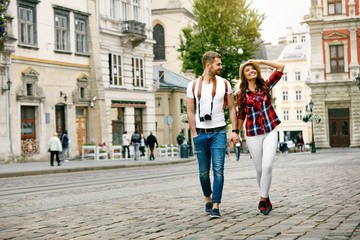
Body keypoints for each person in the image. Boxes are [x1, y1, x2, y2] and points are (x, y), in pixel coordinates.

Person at [186, 51, 239, 219]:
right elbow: (189, 110)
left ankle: (216, 205)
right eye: (218, 64)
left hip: (219, 132)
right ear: (208, 65)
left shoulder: (225, 84)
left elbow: (231, 108)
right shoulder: (193, 85)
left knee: (218, 171)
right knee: (203, 172)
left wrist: (235, 130)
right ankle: (208, 199)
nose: (221, 67)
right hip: (200, 134)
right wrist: (194, 133)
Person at [237, 59, 285, 215]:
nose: (251, 71)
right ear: (243, 76)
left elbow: (280, 67)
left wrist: (259, 61)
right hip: (252, 133)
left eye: (253, 68)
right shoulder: (241, 94)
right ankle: (267, 196)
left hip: (270, 130)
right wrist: (236, 132)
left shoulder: (265, 86)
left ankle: (262, 200)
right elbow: (241, 115)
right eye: (247, 70)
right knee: (259, 169)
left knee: (267, 166)